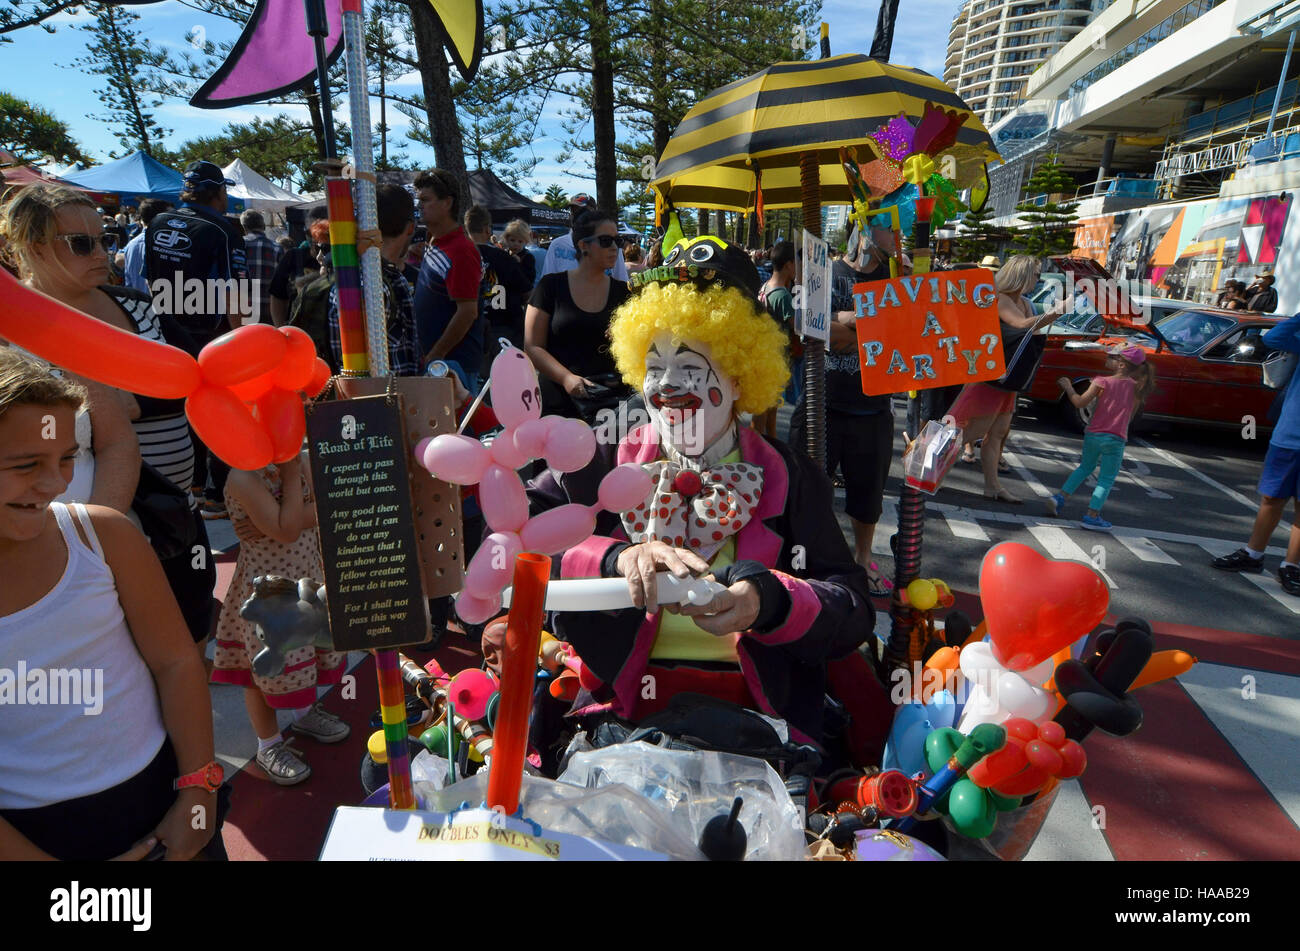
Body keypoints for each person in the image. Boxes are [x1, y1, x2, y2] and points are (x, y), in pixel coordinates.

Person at [525, 236, 875, 746]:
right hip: (620, 712)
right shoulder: (596, 462)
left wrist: (771, 600)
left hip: (757, 715)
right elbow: (521, 546)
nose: (666, 386)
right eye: (654, 367)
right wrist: (614, 559)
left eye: (689, 369)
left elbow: (852, 608)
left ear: (738, 378)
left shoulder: (790, 476)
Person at [0, 351, 225, 860]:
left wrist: (199, 792)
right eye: (26, 465)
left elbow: (176, 662)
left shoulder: (103, 535)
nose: (55, 484)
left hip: (160, 795)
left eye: (65, 459)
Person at [2, 182, 220, 649]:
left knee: (190, 630)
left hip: (173, 505)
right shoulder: (18, 330)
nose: (103, 253)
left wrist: (134, 397)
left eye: (105, 240)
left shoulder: (135, 304)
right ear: (32, 247)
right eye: (82, 243)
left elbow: (193, 376)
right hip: (95, 514)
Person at [211, 451, 349, 785]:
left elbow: (327, 505)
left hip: (307, 582)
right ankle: (268, 745)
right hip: (269, 595)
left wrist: (292, 513)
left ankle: (303, 714)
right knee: (260, 673)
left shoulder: (299, 460)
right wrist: (291, 482)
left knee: (308, 655)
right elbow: (287, 530)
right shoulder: (243, 477)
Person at [790, 227, 897, 595]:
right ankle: (808, 559)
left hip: (873, 409)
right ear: (865, 230)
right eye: (889, 228)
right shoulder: (826, 271)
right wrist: (860, 326)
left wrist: (846, 324)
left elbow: (904, 335)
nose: (896, 237)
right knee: (806, 490)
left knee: (868, 497)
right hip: (821, 407)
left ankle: (862, 561)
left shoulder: (897, 279)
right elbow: (806, 325)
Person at [144, 160, 249, 520]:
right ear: (218, 193)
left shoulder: (156, 223)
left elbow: (148, 279)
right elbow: (237, 291)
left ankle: (187, 488)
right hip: (211, 336)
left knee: (181, 411)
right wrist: (244, 341)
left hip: (166, 332)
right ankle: (215, 495)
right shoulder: (222, 229)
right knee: (219, 412)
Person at [946, 254, 1064, 503]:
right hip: (991, 378)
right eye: (1035, 274)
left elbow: (1032, 331)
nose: (1038, 279)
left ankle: (993, 487)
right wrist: (1055, 313)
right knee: (973, 430)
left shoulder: (1026, 302)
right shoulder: (1000, 299)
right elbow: (1021, 325)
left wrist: (1051, 317)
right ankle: (923, 463)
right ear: (1022, 274)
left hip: (1008, 378)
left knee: (997, 434)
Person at [1211, 311, 1300, 594]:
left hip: (1289, 435)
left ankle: (1291, 566)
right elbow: (1274, 337)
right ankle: (1253, 554)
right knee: (1272, 498)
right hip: (1289, 435)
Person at [525, 207, 631, 422]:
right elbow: (532, 346)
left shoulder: (624, 292)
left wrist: (627, 334)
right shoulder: (550, 287)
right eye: (605, 241)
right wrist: (566, 379)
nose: (614, 248)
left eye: (618, 241)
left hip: (611, 404)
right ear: (583, 245)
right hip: (558, 403)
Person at [1047, 346, 1156, 530]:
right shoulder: (1137, 388)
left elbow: (1079, 402)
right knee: (1106, 479)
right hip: (1115, 438)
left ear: (1121, 364)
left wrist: (1068, 387)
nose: (1107, 358)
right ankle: (1092, 515)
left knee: (1085, 467)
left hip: (1093, 434)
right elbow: (1130, 417)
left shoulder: (1100, 382)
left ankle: (1060, 498)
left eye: (1112, 357)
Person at [326, 183, 421, 375]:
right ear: (410, 228)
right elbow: (364, 371)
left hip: (385, 398)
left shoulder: (380, 278)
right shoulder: (372, 284)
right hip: (379, 400)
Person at [412, 168, 484, 390]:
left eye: (426, 199)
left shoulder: (461, 250)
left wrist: (435, 355)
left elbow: (467, 312)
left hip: (453, 367)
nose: (419, 205)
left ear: (447, 203)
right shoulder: (436, 242)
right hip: (441, 364)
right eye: (418, 199)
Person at [465, 205, 533, 361]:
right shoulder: (504, 258)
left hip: (468, 327)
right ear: (488, 230)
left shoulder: (458, 258)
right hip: (504, 327)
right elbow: (527, 293)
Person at [757, 239, 798, 438]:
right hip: (776, 357)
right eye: (796, 263)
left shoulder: (765, 287)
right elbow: (795, 327)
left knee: (765, 405)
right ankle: (766, 444)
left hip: (763, 354)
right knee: (769, 406)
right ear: (789, 264)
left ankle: (767, 441)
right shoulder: (783, 295)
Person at [541, 194, 629, 281]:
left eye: (583, 212)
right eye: (573, 211)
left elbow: (621, 279)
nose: (576, 216)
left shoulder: (611, 244)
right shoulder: (557, 245)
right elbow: (547, 280)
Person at [269, 205, 328, 326]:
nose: (314, 238)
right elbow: (278, 296)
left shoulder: (343, 257)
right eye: (309, 232)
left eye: (320, 232)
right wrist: (281, 330)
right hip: (299, 333)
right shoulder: (293, 257)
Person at [240, 209, 282, 325]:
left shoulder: (240, 245)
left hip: (245, 310)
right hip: (271, 311)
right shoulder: (277, 248)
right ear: (263, 226)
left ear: (244, 227)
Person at [121, 198, 172, 293]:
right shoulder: (169, 245)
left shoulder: (131, 245)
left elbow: (129, 282)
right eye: (170, 216)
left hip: (138, 304)